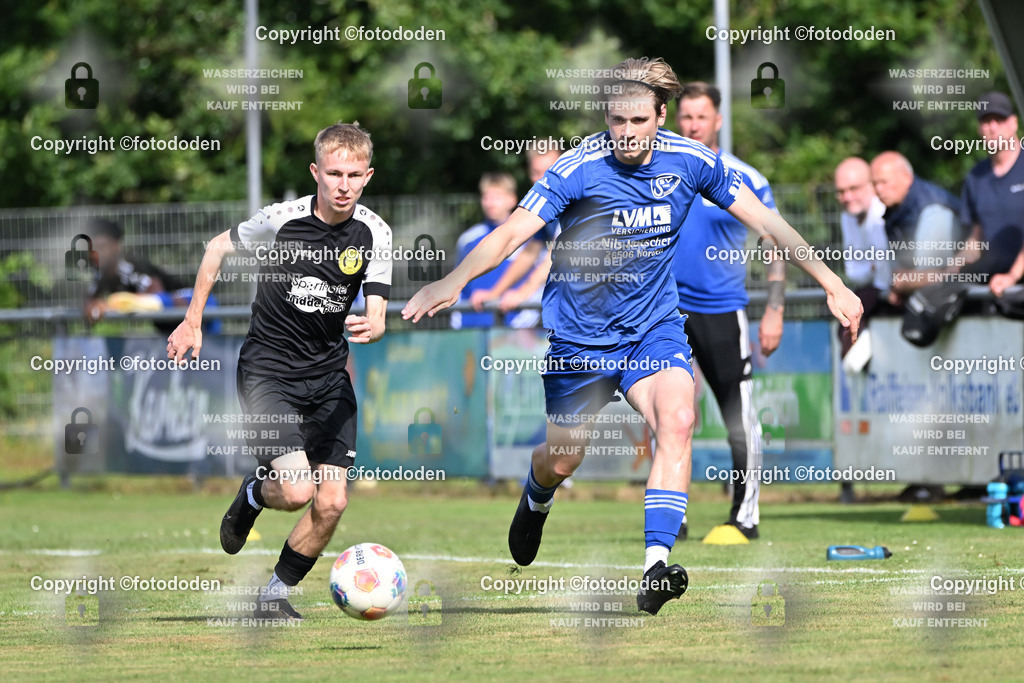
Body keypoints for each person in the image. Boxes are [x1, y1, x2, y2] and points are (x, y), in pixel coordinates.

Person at [403, 57, 862, 615]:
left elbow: (767, 223)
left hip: (653, 329)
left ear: (660, 116)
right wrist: (452, 281)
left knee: (679, 417)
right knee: (564, 458)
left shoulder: (691, 160)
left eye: (638, 121)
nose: (626, 132)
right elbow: (510, 234)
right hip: (580, 338)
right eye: (616, 120)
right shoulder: (577, 168)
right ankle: (537, 493)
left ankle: (655, 568)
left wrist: (833, 283)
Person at [166, 122, 392, 620]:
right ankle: (253, 492)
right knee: (294, 492)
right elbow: (216, 247)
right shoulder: (281, 220)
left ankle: (274, 595)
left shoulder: (375, 232)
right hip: (268, 370)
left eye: (354, 174)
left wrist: (374, 326)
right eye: (333, 172)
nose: (343, 184)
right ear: (315, 172)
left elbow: (376, 310)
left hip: (329, 379)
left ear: (368, 176)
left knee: (331, 502)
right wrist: (192, 321)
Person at [673, 81, 785, 541]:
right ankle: (670, 517)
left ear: (718, 120)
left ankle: (746, 515)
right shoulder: (660, 171)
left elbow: (774, 241)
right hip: (667, 314)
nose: (693, 124)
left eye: (701, 116)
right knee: (670, 415)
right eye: (686, 116)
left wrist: (775, 307)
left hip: (720, 311)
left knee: (738, 416)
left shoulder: (744, 176)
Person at [470, 144, 563, 315]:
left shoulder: (580, 200)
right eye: (536, 173)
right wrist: (495, 293)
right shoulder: (545, 208)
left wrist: (523, 292)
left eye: (549, 171)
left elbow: (558, 254)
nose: (543, 179)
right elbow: (528, 254)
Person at [83, 218, 215, 333]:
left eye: (101, 246)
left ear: (116, 246)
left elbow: (158, 300)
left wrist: (111, 305)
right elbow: (90, 301)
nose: (95, 253)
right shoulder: (99, 274)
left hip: (197, 302)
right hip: (172, 327)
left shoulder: (131, 268)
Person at [953, 92, 1024, 295]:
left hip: (1016, 279)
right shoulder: (975, 177)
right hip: (993, 282)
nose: (992, 128)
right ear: (979, 128)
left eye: (999, 120)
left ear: (1013, 123)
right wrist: (957, 263)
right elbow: (976, 237)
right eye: (986, 121)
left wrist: (1013, 275)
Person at [869, 151, 961, 306]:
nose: (878, 189)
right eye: (875, 183)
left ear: (907, 178)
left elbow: (934, 275)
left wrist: (902, 284)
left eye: (884, 182)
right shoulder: (894, 211)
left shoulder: (934, 209)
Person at [452, 172, 540, 328]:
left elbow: (538, 284)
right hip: (474, 328)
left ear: (512, 199)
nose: (490, 203)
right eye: (486, 196)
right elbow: (458, 286)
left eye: (497, 196)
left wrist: (520, 325)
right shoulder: (468, 240)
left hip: (516, 333)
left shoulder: (532, 241)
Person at [833, 157, 892, 364]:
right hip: (872, 291)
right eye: (841, 191)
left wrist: (873, 268)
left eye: (854, 188)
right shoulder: (847, 217)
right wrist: (873, 267)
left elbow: (884, 271)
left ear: (871, 186)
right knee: (844, 324)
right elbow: (852, 271)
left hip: (892, 293)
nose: (847, 197)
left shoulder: (883, 213)